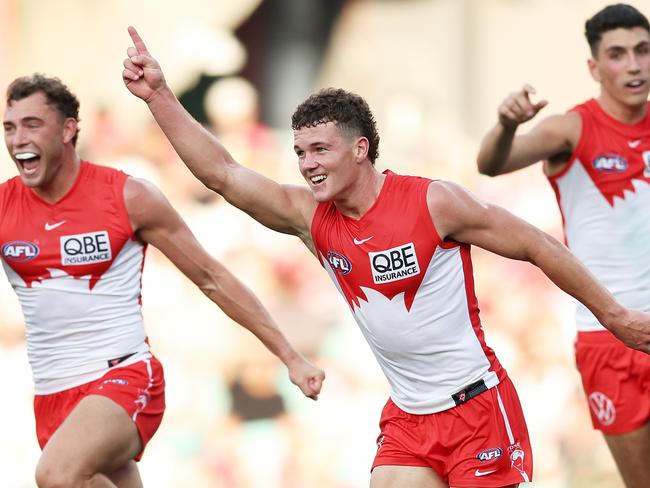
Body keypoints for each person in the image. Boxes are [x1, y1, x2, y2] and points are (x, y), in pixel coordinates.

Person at [122, 26, 650, 488]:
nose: (307, 164)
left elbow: (537, 245)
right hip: (409, 419)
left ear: (359, 150)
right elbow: (224, 173)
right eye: (300, 152)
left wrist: (614, 314)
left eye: (320, 150)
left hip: (477, 412)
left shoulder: (434, 202)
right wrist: (160, 97)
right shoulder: (310, 217)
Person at [0, 73, 325, 488]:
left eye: (32, 125)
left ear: (68, 130)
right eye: (10, 127)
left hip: (123, 379)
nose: (17, 139)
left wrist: (291, 357)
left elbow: (212, 278)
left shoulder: (128, 197)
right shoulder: (5, 207)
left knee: (57, 475)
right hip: (51, 395)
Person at [476, 3, 650, 487]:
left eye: (643, 51)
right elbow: (492, 163)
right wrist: (508, 123)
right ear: (595, 68)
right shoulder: (571, 129)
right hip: (609, 334)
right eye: (618, 54)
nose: (634, 65)